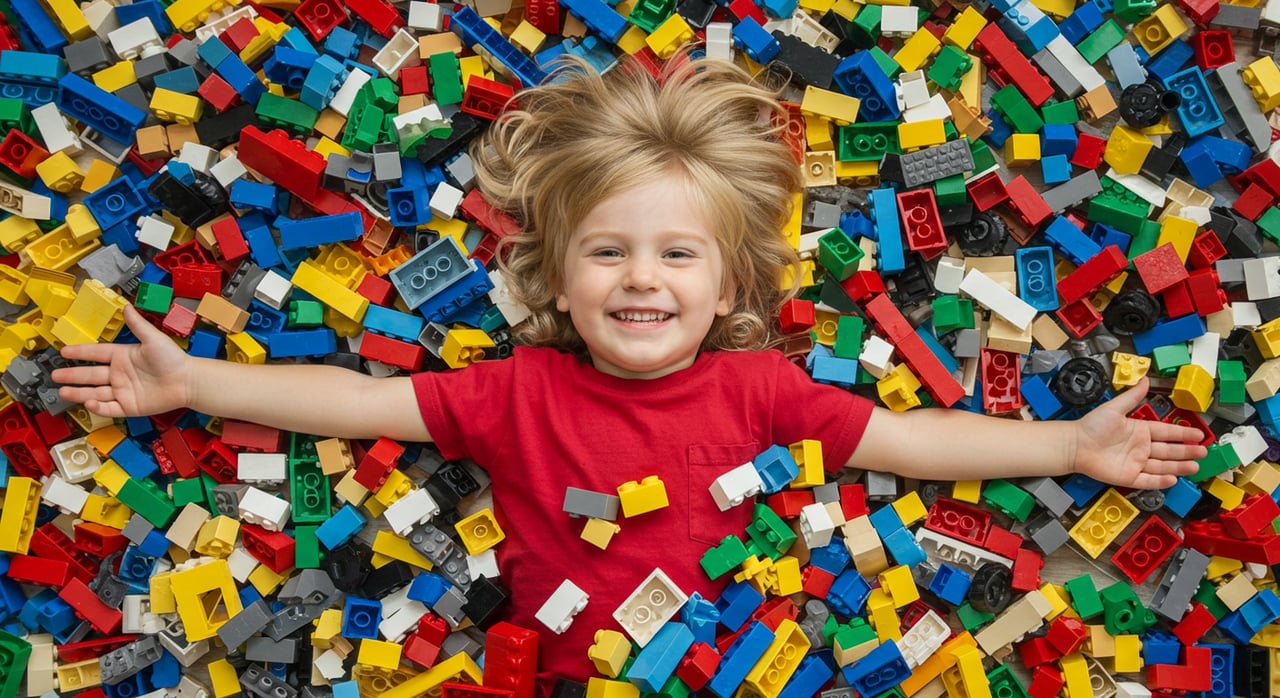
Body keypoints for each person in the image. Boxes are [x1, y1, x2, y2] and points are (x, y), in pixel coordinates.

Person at [55, 54, 1206, 687]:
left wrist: (1067, 443)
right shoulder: (513, 391)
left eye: (674, 253)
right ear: (555, 279)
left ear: (726, 288)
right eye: (606, 251)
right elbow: (359, 400)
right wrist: (193, 384)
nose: (639, 279)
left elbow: (907, 440)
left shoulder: (760, 391)